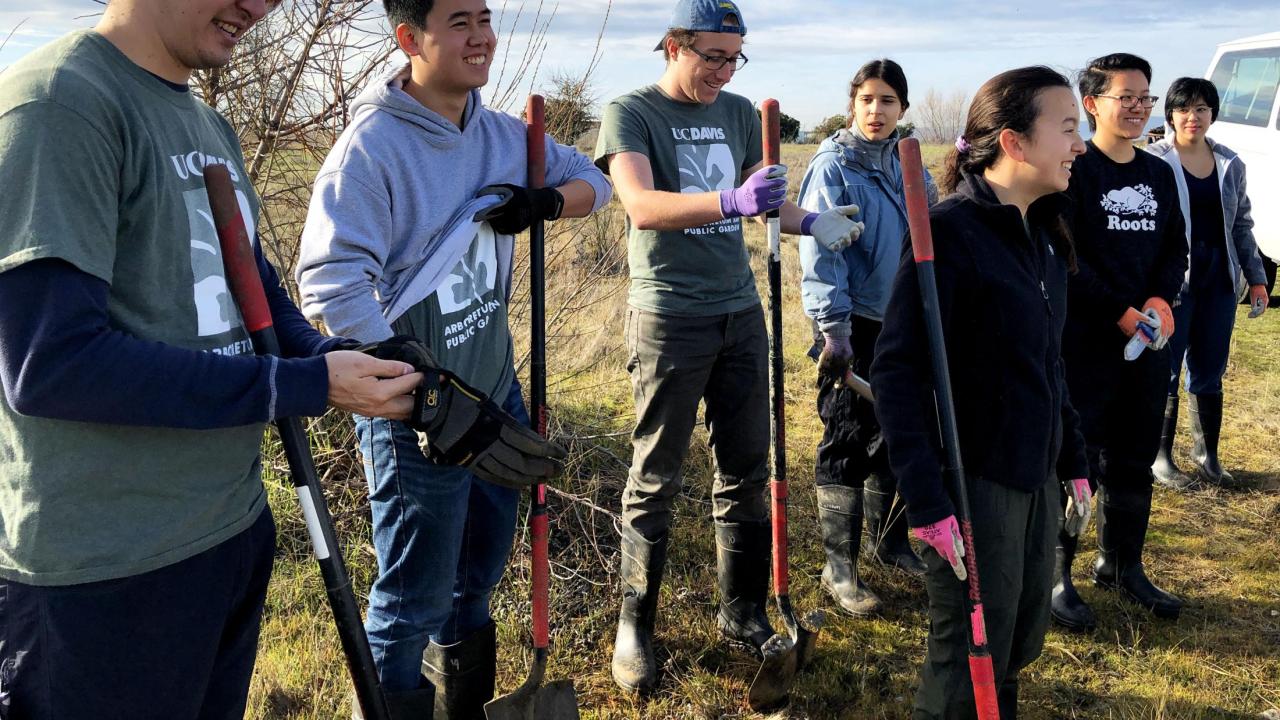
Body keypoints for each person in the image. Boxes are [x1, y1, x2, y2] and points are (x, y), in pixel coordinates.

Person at [0, 1, 424, 717]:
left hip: (227, 533)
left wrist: (330, 354)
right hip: (106, 572)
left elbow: (256, 292)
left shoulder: (206, 124)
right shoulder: (59, 103)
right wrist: (303, 383)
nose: (257, 7)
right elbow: (49, 364)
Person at [294, 0, 611, 714]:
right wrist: (414, 390)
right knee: (412, 597)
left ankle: (458, 705)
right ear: (410, 38)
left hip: (497, 391)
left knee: (476, 576)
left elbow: (600, 181)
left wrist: (545, 204)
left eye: (485, 18)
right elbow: (330, 283)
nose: (482, 38)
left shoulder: (504, 137)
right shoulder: (371, 148)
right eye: (460, 22)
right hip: (417, 412)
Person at [593, 0, 865, 693]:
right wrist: (729, 203)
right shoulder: (632, 112)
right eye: (710, 55)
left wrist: (813, 220)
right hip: (668, 317)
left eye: (733, 56)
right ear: (672, 45)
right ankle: (635, 627)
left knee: (746, 465)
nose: (722, 70)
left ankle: (741, 611)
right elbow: (642, 206)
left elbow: (764, 200)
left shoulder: (741, 112)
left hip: (740, 315)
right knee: (656, 475)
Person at [871, 65, 1092, 718]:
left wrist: (1073, 459)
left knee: (1019, 643)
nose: (1079, 144)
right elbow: (897, 373)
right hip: (975, 484)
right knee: (968, 665)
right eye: (1069, 128)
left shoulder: (1045, 234)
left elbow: (1049, 364)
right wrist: (927, 501)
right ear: (1015, 142)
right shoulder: (951, 236)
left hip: (1036, 476)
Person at [1051, 53, 1191, 632]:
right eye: (1125, 97)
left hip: (1149, 346)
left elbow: (1174, 248)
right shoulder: (1075, 170)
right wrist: (1121, 313)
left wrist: (1158, 303)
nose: (1137, 108)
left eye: (1144, 98)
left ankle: (1122, 563)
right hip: (1086, 343)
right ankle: (1058, 573)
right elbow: (1066, 258)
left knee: (1135, 455)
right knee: (1075, 458)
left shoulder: (1159, 172)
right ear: (1092, 105)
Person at [796, 58, 934, 618]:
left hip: (905, 320)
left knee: (899, 433)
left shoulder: (910, 163)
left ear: (903, 108)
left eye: (888, 102)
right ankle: (841, 568)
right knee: (848, 437)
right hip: (854, 325)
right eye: (867, 100)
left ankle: (891, 542)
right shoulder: (833, 167)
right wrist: (834, 329)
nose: (876, 112)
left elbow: (930, 233)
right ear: (852, 104)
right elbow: (821, 253)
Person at [1145, 77, 1268, 489]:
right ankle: (1159, 458)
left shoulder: (1231, 163)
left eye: (1201, 108)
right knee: (1164, 370)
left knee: (1210, 371)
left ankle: (1207, 454)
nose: (1192, 117)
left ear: (1212, 114)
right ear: (1170, 115)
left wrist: (1256, 277)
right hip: (1174, 287)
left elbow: (1242, 225)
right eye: (1184, 109)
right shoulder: (1156, 161)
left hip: (1218, 283)